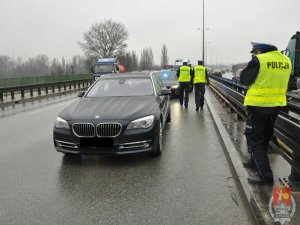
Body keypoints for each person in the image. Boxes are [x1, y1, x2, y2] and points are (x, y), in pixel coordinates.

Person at [240, 42, 292, 185]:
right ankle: (253, 162)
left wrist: (252, 62)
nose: (253, 55)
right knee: (264, 137)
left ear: (259, 51)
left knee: (254, 138)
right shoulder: (286, 60)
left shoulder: (260, 60)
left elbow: (245, 79)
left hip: (258, 106)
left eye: (254, 52)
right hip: (276, 106)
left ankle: (265, 176)